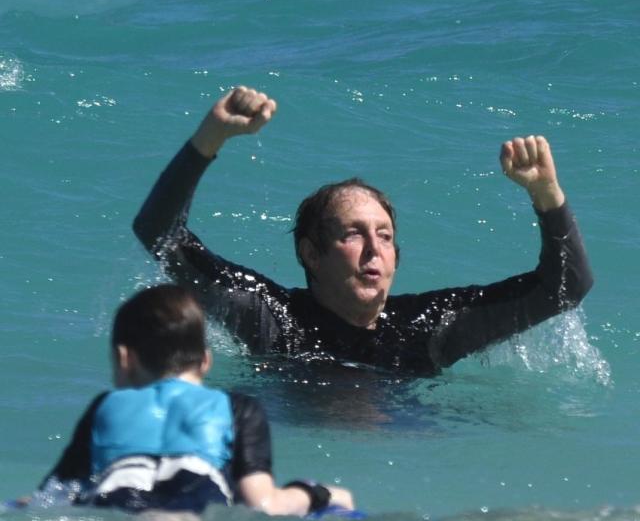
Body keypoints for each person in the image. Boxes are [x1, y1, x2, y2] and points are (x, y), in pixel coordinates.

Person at [133, 86, 594, 376]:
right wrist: (209, 140)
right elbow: (159, 234)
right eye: (353, 234)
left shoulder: (428, 327)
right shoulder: (271, 316)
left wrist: (547, 194)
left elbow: (565, 288)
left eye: (386, 236)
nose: (375, 249)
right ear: (311, 253)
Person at [35, 284, 355, 519]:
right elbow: (263, 505)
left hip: (116, 503)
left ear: (124, 359)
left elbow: (50, 498)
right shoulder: (237, 408)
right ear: (205, 361)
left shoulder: (104, 406)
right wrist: (316, 492)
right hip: (196, 505)